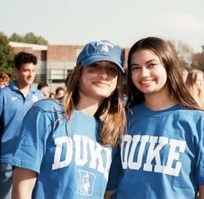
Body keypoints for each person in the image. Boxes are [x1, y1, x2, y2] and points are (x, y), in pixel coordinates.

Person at [107, 37, 204, 199]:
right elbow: (110, 186)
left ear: (168, 66)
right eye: (135, 68)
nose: (143, 74)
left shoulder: (199, 122)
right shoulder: (123, 117)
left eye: (151, 65)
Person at [11, 40, 126, 199]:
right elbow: (22, 189)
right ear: (79, 73)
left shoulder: (111, 131)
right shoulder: (47, 112)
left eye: (112, 69)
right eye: (95, 66)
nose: (104, 75)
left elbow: (108, 193)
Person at [0, 52, 43, 199]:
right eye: (26, 70)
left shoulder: (40, 97)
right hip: (6, 158)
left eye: (33, 70)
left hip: (31, 160)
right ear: (16, 71)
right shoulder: (3, 95)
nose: (30, 74)